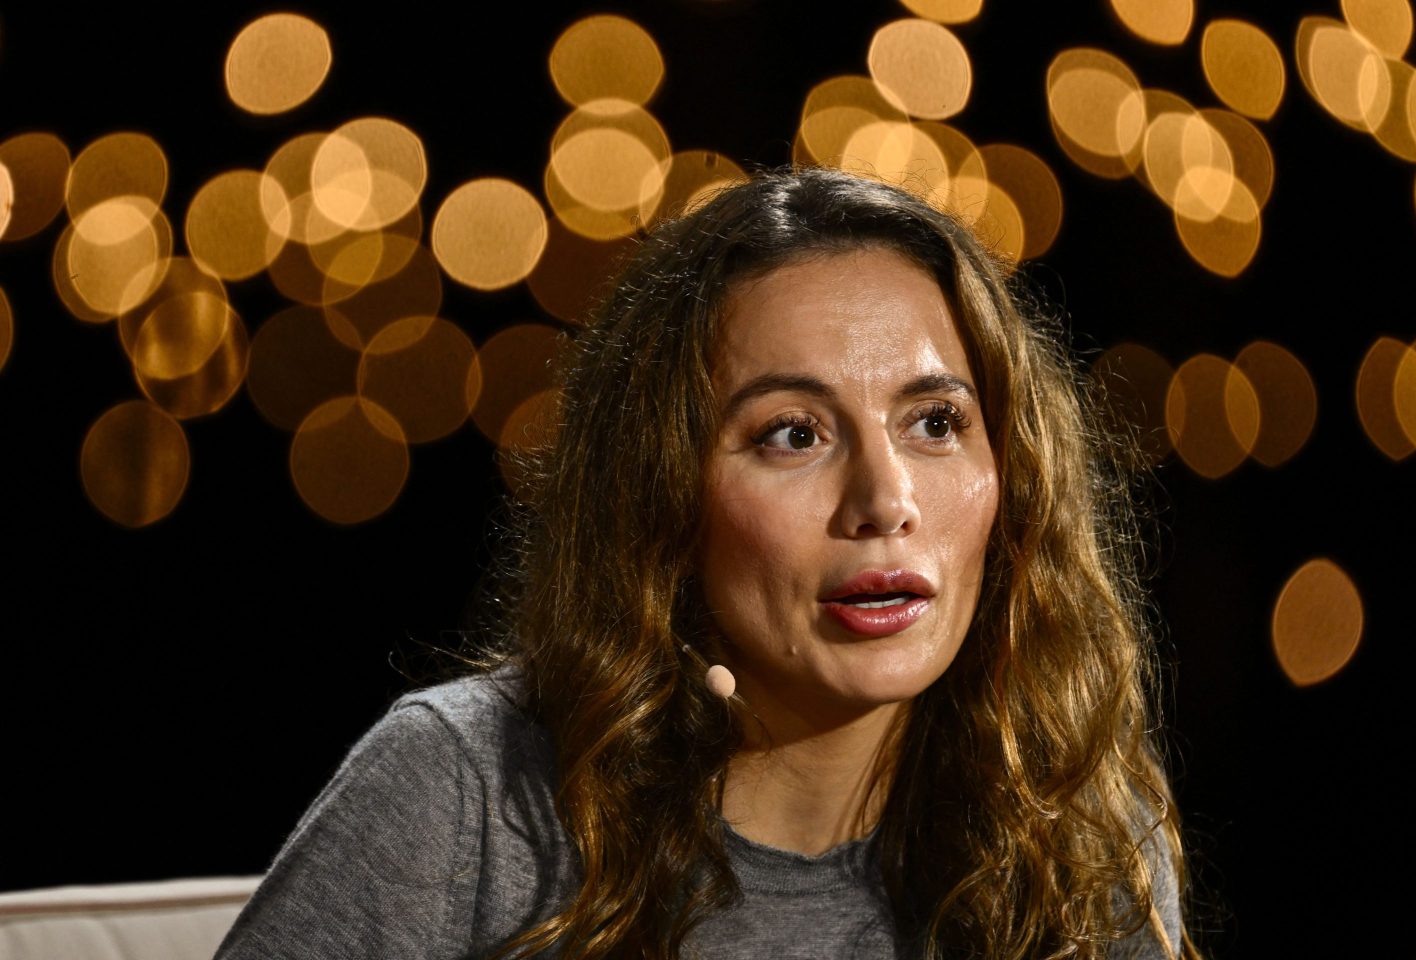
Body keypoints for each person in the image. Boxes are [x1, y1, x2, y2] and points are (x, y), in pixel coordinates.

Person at [215, 166, 1201, 959]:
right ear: (666, 492)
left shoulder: (1069, 827)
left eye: (936, 422)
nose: (886, 502)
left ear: (1013, 477)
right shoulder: (469, 790)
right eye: (791, 435)